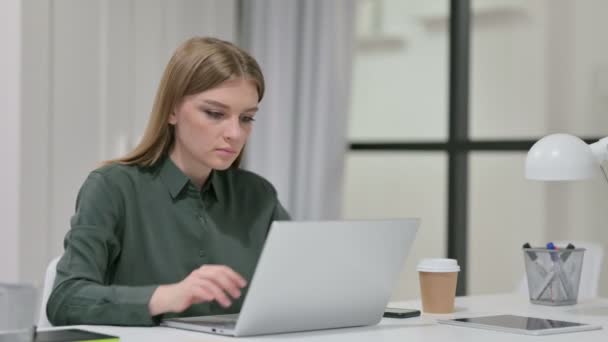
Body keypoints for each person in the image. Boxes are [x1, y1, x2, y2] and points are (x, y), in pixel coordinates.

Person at [46, 37, 290, 326]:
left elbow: (304, 283)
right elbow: (66, 299)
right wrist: (165, 297)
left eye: (247, 118)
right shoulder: (113, 188)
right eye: (215, 113)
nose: (235, 134)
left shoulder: (258, 195)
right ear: (172, 110)